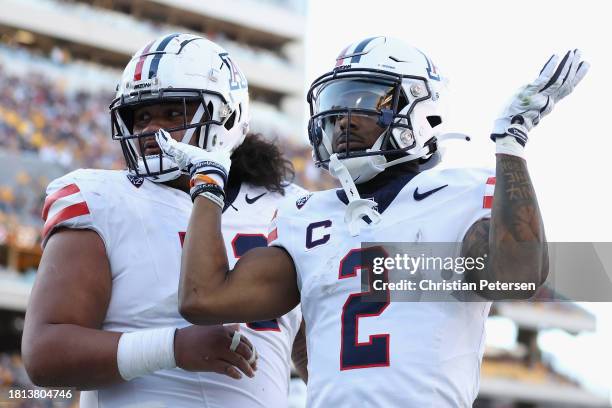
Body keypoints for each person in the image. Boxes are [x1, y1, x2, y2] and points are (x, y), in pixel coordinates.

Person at [156, 37, 588, 407]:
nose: (343, 117)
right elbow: (203, 299)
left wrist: (511, 143)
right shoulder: (306, 216)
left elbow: (519, 275)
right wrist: (208, 186)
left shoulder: (462, 192)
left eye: (363, 100)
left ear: (421, 110)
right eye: (335, 104)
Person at [22, 33, 306, 407]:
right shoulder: (102, 199)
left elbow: (321, 349)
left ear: (229, 116)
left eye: (173, 113)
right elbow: (46, 353)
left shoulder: (293, 209)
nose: (150, 131)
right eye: (142, 116)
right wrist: (171, 348)